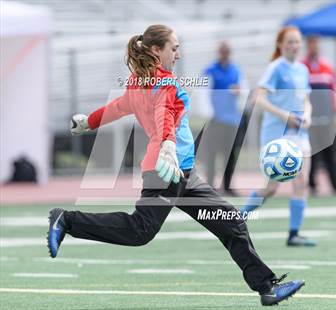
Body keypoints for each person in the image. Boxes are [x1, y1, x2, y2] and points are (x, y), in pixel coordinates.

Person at [46, 24, 304, 306]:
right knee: (140, 231)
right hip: (165, 171)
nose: (178, 54)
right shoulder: (163, 83)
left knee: (231, 222)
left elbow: (117, 108)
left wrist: (87, 122)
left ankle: (267, 288)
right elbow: (163, 116)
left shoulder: (139, 83)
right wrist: (167, 145)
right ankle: (67, 220)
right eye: (174, 48)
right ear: (157, 50)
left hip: (183, 174)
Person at [240, 26, 316, 247]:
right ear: (281, 45)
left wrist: (308, 116)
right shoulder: (275, 68)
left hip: (300, 133)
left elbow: (305, 100)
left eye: (297, 41)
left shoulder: (302, 70)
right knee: (272, 188)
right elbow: (258, 99)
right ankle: (238, 219)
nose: (295, 45)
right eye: (290, 42)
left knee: (302, 182)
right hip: (278, 134)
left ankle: (294, 234)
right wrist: (285, 116)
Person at [302, 36, 336, 196]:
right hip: (310, 119)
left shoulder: (327, 66)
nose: (314, 47)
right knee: (311, 154)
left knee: (330, 153)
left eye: (316, 44)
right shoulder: (301, 67)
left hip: (327, 118)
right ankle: (312, 186)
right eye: (311, 44)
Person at [202, 41, 242, 196]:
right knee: (212, 153)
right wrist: (210, 114)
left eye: (227, 51)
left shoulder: (236, 70)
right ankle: (211, 186)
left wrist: (239, 92)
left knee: (230, 154)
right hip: (216, 119)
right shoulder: (210, 70)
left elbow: (242, 91)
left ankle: (228, 185)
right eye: (222, 51)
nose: (225, 54)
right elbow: (203, 93)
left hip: (232, 120)